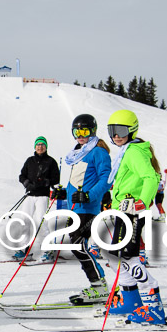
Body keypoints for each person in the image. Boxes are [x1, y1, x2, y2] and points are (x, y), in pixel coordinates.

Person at [105, 110, 167, 326]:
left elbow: (151, 178)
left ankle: (153, 307)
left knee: (129, 256)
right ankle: (131, 300)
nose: (116, 136)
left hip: (132, 212)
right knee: (118, 256)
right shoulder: (127, 150)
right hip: (123, 210)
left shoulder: (134, 151)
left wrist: (142, 202)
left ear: (132, 130)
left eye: (121, 131)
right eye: (112, 131)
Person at [52, 114, 112, 305]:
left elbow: (106, 180)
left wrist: (88, 195)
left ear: (92, 131)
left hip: (88, 207)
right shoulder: (79, 152)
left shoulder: (98, 152)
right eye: (77, 131)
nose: (80, 135)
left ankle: (100, 286)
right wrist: (64, 195)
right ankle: (98, 285)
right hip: (76, 207)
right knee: (78, 245)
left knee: (78, 245)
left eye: (84, 131)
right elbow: (78, 181)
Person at [13, 135, 60, 263]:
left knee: (40, 221)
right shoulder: (30, 161)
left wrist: (47, 183)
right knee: (24, 220)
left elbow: (56, 179)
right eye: (38, 145)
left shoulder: (51, 161)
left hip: (42, 196)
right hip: (30, 195)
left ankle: (47, 250)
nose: (40, 147)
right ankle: (24, 250)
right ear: (35, 146)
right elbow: (21, 176)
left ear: (46, 147)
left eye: (42, 145)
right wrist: (27, 183)